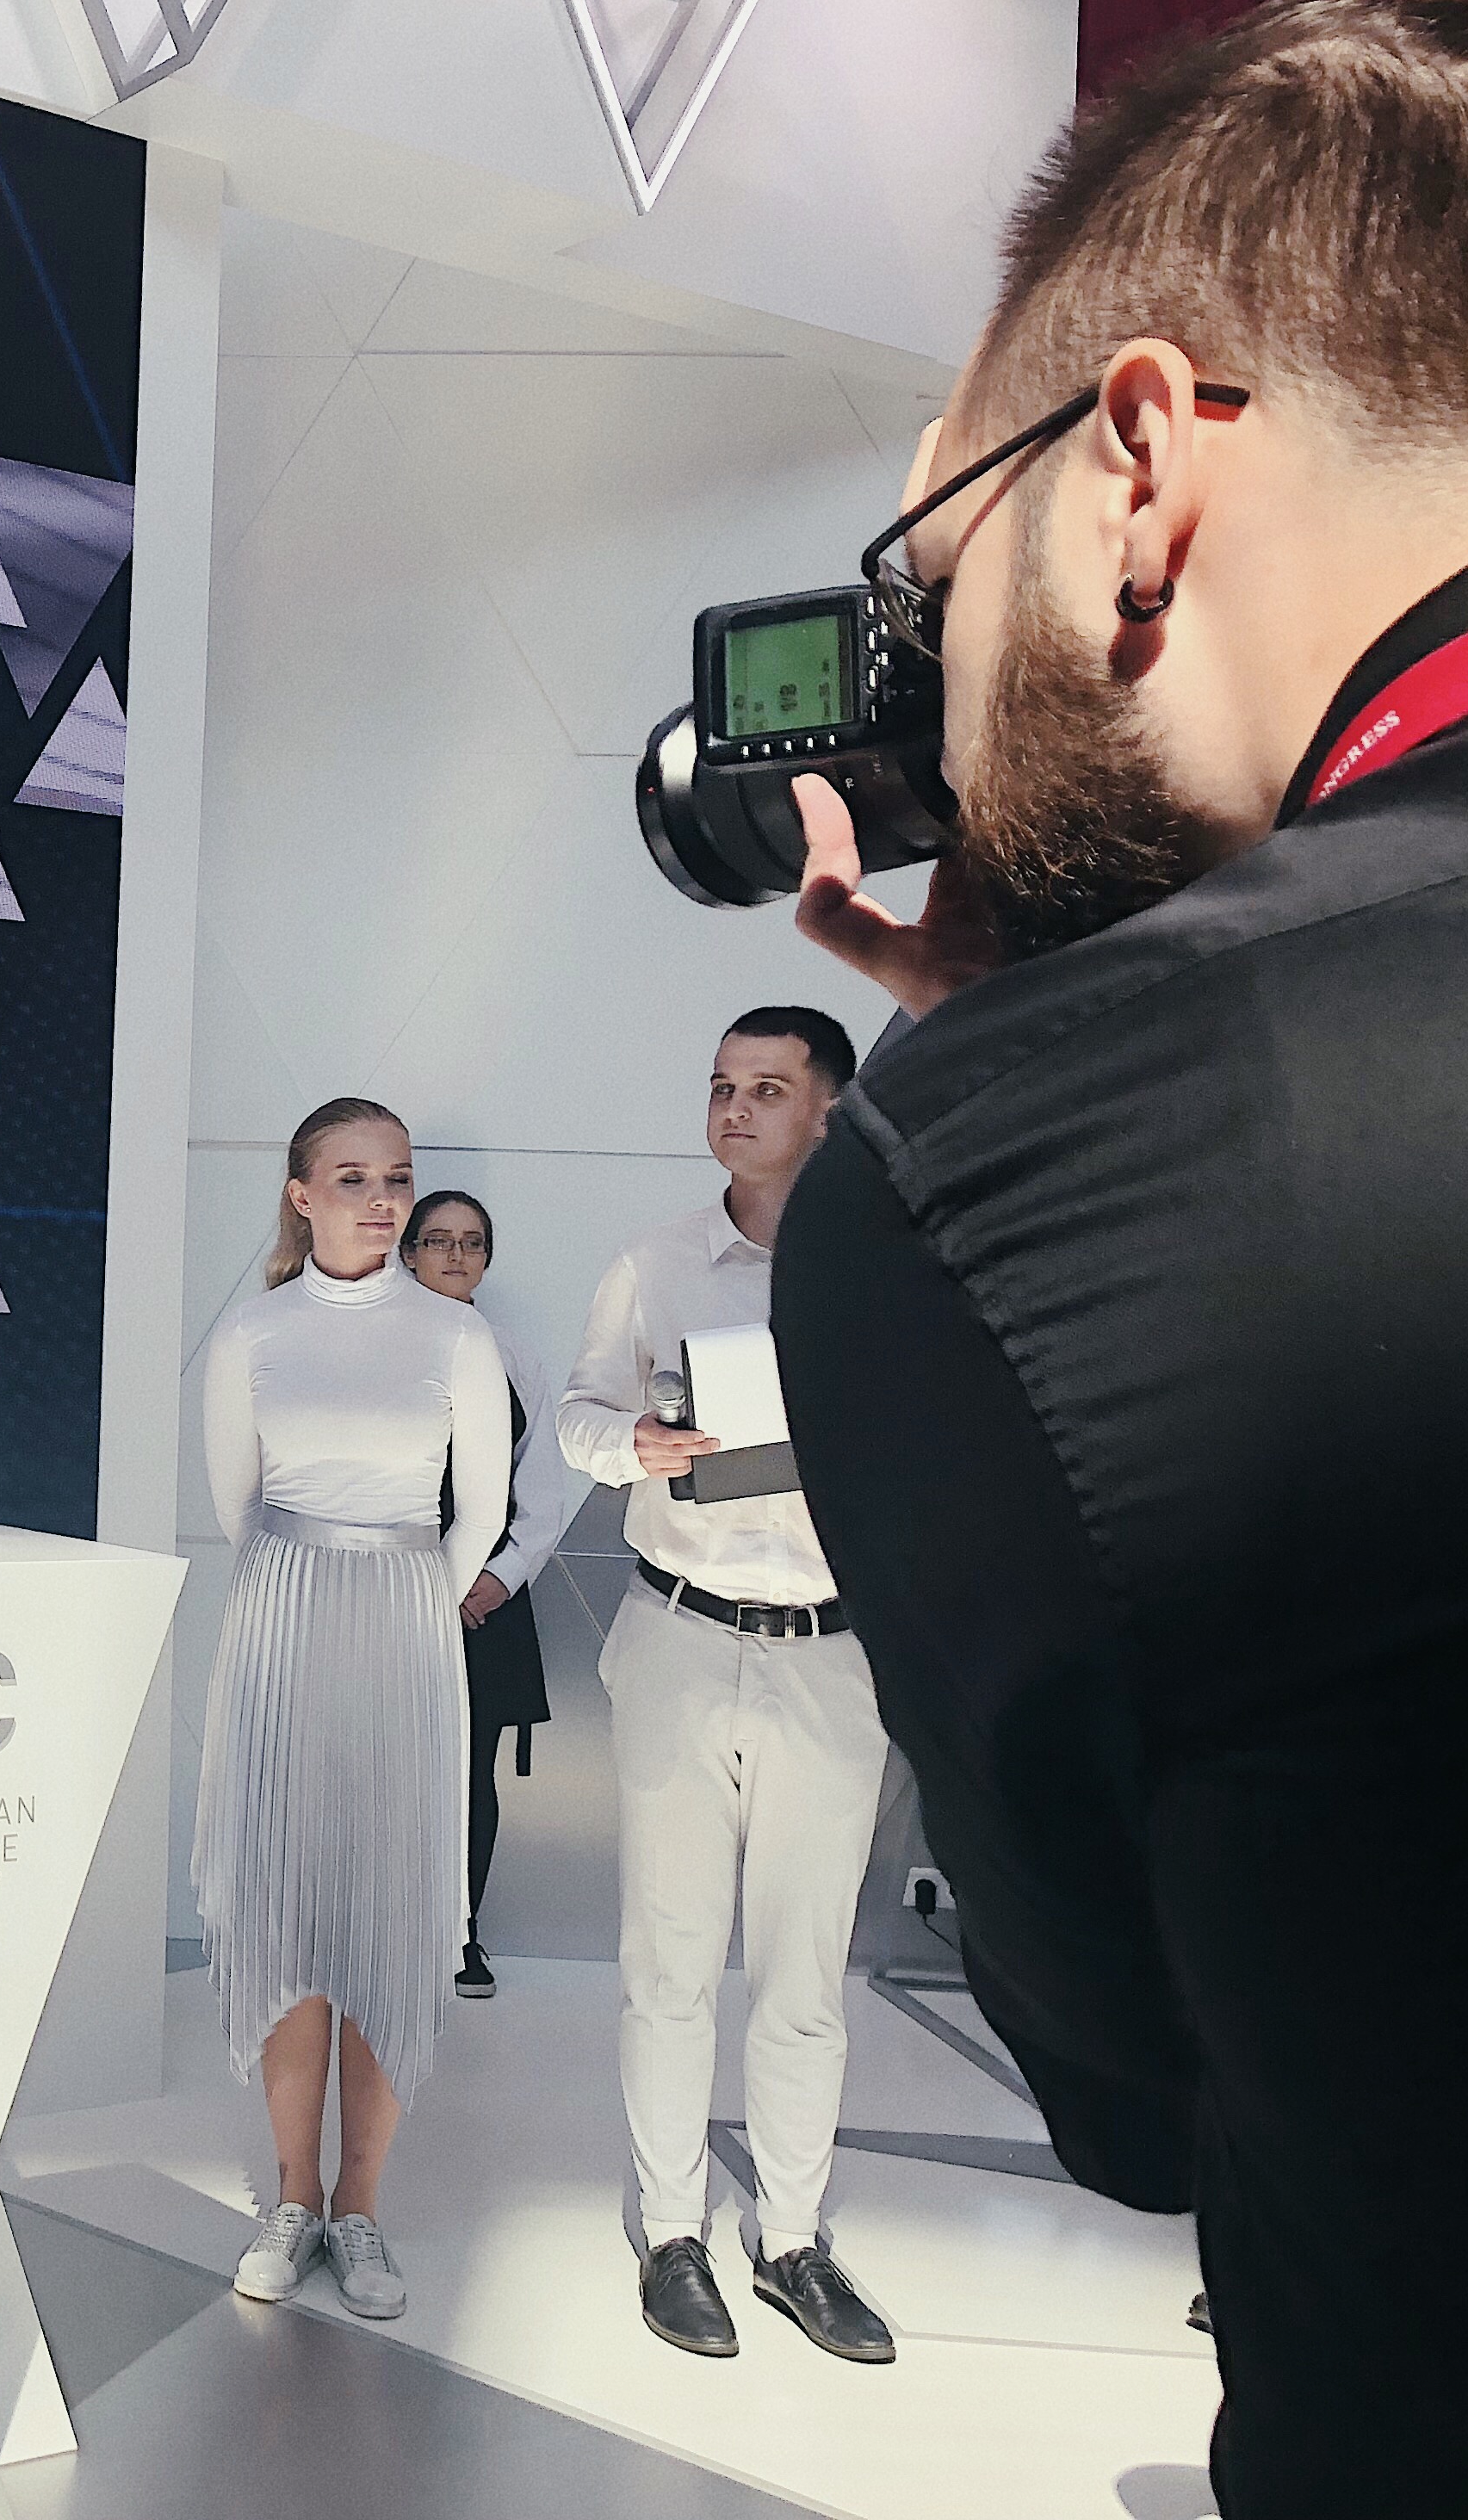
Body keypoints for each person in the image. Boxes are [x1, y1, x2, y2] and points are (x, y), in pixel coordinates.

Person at [766, 0, 1468, 2511]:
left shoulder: (1008, 1186)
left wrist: (1020, 1080)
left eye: (924, 573)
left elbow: (1128, 2084)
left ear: (1131, 468)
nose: (924, 689)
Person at [555, 1011, 895, 2368]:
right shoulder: (654, 1266)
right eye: (720, 1087)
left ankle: (795, 2241)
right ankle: (671, 2232)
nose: (735, 1109)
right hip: (681, 1635)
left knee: (806, 1969)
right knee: (671, 1959)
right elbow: (577, 1417)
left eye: (766, 1088)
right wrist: (631, 1445)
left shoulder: (895, 1267)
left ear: (831, 1112)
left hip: (835, 1650)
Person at [195, 1100, 508, 2320]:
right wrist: (310, 1584)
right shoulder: (252, 1333)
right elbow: (238, 1505)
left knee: (386, 1912)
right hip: (282, 1622)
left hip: (405, 1627)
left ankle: (360, 2207)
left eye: (398, 1179)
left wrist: (405, 1598)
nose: (383, 1201)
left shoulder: (454, 1334)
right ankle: (293, 2196)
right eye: (353, 1178)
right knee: (287, 1912)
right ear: (300, 1194)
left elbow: (480, 1512)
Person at [401, 1190, 576, 1998]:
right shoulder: (376, 1347)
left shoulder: (514, 1358)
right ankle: (381, 1936)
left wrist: (493, 1581)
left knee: (471, 1776)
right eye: (438, 1240)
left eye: (471, 1242)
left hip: (485, 1604)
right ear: (408, 1253)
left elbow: (541, 1489)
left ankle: (458, 1936)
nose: (456, 1255)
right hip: (389, 1596)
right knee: (383, 1773)